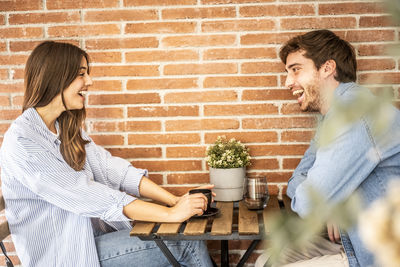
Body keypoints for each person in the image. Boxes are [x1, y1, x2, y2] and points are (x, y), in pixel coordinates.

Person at [0, 41, 214, 267]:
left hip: (91, 240)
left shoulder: (63, 128)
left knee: (182, 238)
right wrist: (170, 215)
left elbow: (113, 170)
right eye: (81, 74)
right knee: (186, 243)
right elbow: (86, 194)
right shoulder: (24, 143)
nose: (89, 81)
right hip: (66, 255)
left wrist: (173, 201)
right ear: (57, 77)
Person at [264, 30, 400, 267]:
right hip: (355, 237)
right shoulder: (333, 117)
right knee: (270, 260)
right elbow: (296, 179)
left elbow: (307, 204)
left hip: (380, 255)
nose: (287, 82)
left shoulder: (354, 115)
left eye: (296, 69)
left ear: (327, 68)